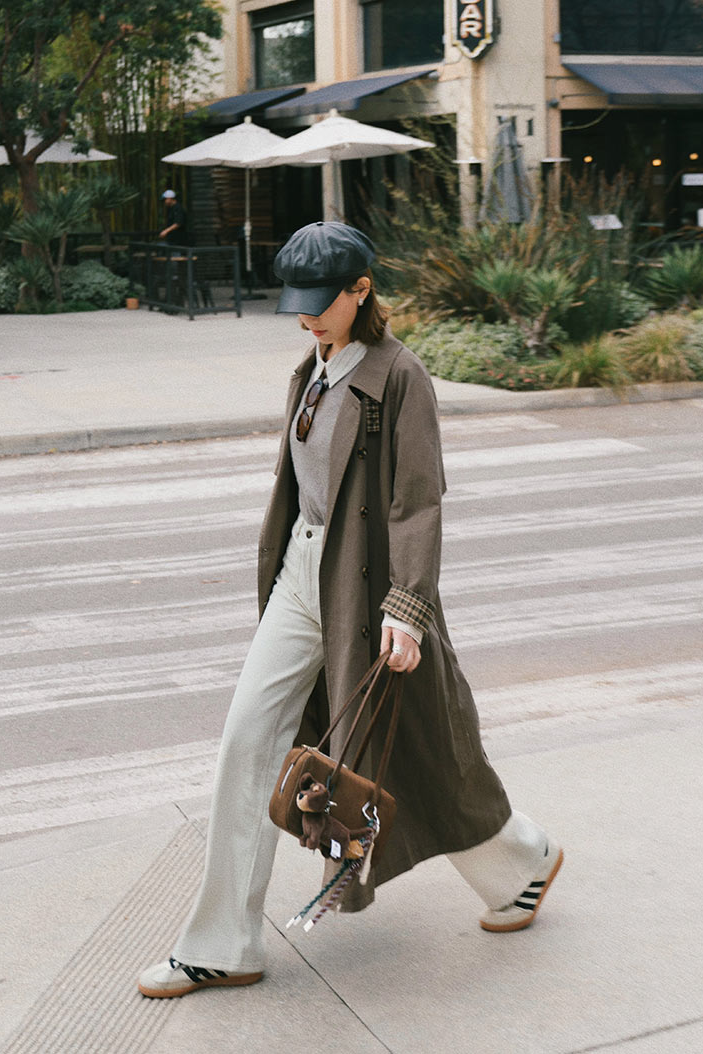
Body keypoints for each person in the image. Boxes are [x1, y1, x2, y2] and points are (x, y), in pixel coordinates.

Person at [138, 221, 563, 999]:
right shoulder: (315, 364)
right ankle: (224, 942)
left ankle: (522, 864)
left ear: (361, 289)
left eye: (320, 302)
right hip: (304, 576)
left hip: (368, 595)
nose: (305, 316)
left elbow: (418, 500)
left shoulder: (400, 378)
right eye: (297, 302)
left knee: (423, 755)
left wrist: (407, 603)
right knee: (247, 740)